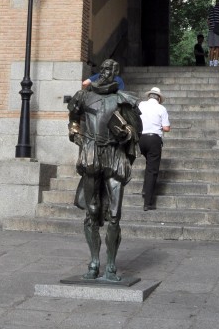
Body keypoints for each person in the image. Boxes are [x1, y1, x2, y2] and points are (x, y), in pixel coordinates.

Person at [67, 58, 142, 281]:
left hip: (114, 155)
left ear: (116, 73)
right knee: (91, 211)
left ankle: (110, 264)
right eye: (104, 68)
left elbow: (134, 131)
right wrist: (76, 134)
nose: (106, 71)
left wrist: (126, 133)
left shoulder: (122, 100)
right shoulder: (83, 96)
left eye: (111, 69)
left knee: (115, 214)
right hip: (91, 154)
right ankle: (94, 262)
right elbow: (73, 121)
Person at [137, 87, 170, 211]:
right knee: (152, 170)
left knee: (148, 163)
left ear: (149, 96)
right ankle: (148, 202)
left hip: (141, 139)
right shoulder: (161, 108)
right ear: (159, 98)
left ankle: (146, 189)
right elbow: (166, 128)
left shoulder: (141, 105)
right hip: (154, 140)